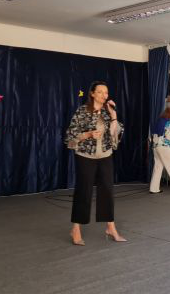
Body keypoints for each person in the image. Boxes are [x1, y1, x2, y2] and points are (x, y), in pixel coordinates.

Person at [65, 81, 126, 245]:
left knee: (107, 191)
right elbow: (70, 136)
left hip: (105, 155)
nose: (104, 95)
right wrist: (89, 134)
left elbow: (116, 135)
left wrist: (113, 115)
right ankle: (75, 228)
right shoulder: (82, 111)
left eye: (106, 92)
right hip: (85, 156)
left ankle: (110, 227)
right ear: (92, 93)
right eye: (100, 92)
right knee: (83, 191)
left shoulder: (108, 112)